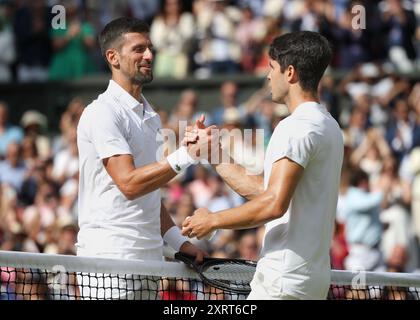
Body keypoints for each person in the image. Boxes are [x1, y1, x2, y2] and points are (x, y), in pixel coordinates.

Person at [182, 31, 344, 300]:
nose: (268, 76)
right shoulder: (330, 126)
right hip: (310, 282)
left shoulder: (294, 127)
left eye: (271, 68)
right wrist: (213, 153)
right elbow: (268, 191)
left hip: (282, 282)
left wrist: (213, 220)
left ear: (289, 73)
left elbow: (273, 203)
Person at [76, 17, 209, 299]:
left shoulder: (151, 118)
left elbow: (147, 195)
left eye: (150, 48)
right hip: (110, 262)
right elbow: (129, 184)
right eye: (138, 49)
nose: (149, 55)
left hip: (150, 262)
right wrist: (185, 154)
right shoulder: (102, 113)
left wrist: (180, 244)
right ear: (113, 57)